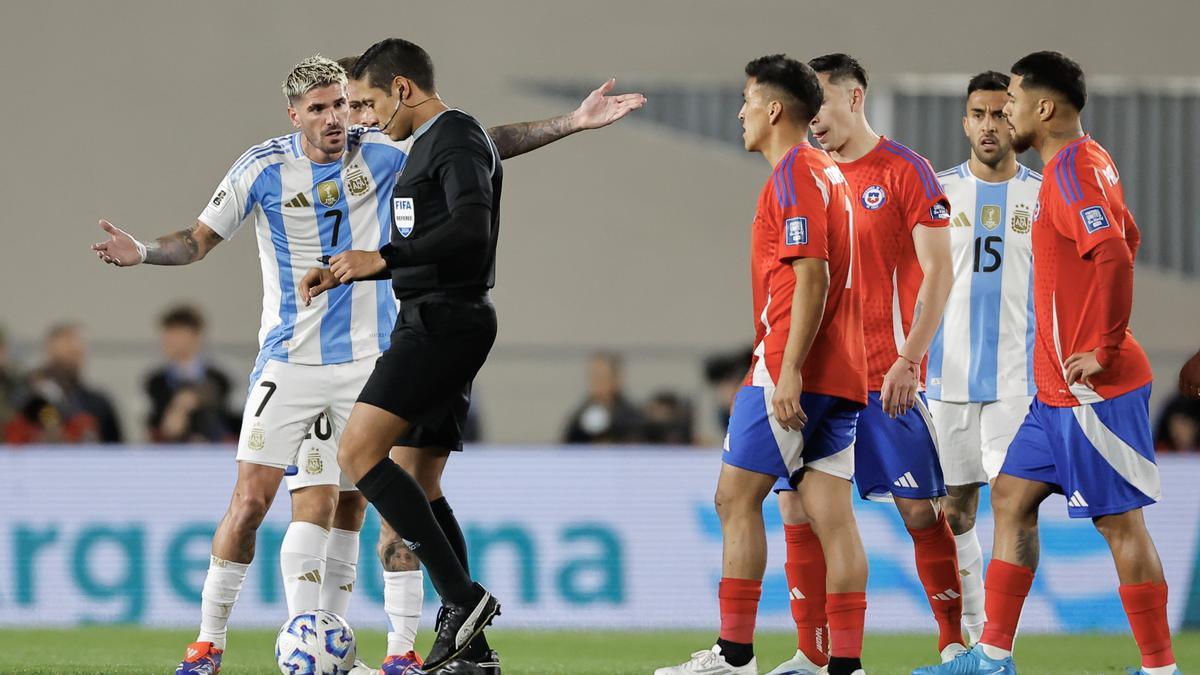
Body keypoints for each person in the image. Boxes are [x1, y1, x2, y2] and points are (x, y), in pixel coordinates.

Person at [91, 53, 644, 675]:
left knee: (369, 504)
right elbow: (195, 241)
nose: (338, 118)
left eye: (343, 104)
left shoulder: (380, 148)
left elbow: (478, 145)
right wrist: (140, 251)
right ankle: (207, 642)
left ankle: (402, 652)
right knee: (250, 501)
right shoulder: (263, 167)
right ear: (294, 113)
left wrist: (570, 122)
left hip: (371, 358)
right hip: (290, 361)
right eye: (322, 108)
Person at [298, 38, 643, 673]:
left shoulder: (450, 137)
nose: (363, 120)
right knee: (420, 481)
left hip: (442, 322)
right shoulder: (443, 139)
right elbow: (494, 142)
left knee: (358, 453)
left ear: (402, 89)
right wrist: (570, 122)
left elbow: (470, 226)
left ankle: (464, 601)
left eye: (368, 104)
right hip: (438, 316)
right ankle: (473, 650)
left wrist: (384, 259)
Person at [913, 51, 1178, 675]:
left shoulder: (1067, 174)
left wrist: (1105, 343)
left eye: (1011, 99)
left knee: (1120, 527)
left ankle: (1161, 669)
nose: (1004, 110)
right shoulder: (1091, 160)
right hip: (1052, 391)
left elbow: (1113, 251)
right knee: (1008, 497)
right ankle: (993, 657)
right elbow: (1129, 233)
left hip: (1093, 389)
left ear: (1044, 108)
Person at [655, 54, 868, 675]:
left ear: (774, 109)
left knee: (733, 499)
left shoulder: (795, 175)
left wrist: (791, 366)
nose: (741, 113)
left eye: (747, 101)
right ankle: (846, 665)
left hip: (790, 367)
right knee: (831, 516)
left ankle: (734, 655)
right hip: (844, 373)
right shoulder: (830, 173)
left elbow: (813, 275)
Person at [768, 53, 962, 674]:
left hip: (885, 377)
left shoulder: (905, 170)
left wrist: (911, 357)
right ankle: (812, 653)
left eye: (820, 103)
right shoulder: (809, 173)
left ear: (854, 98)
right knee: (796, 506)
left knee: (917, 511)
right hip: (822, 380)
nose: (812, 118)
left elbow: (939, 271)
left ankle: (954, 645)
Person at [926, 70, 1042, 643]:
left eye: (1001, 113)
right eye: (979, 114)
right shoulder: (937, 192)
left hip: (1019, 382)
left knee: (1014, 505)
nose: (990, 125)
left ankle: (999, 645)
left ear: (1015, 119)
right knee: (957, 512)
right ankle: (970, 632)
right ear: (965, 121)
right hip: (946, 379)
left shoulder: (1042, 195)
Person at [145, 305, 238, 443]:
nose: (168, 340)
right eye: (167, 334)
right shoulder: (155, 381)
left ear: (195, 336)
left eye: (176, 333)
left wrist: (185, 404)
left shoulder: (220, 376)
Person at [30, 323, 123, 443]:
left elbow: (115, 447)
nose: (76, 355)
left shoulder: (97, 402)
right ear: (50, 351)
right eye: (69, 352)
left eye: (78, 354)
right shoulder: (31, 395)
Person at [562, 351, 644, 444]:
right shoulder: (578, 419)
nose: (597, 383)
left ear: (616, 378)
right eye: (593, 376)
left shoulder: (632, 418)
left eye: (602, 376)